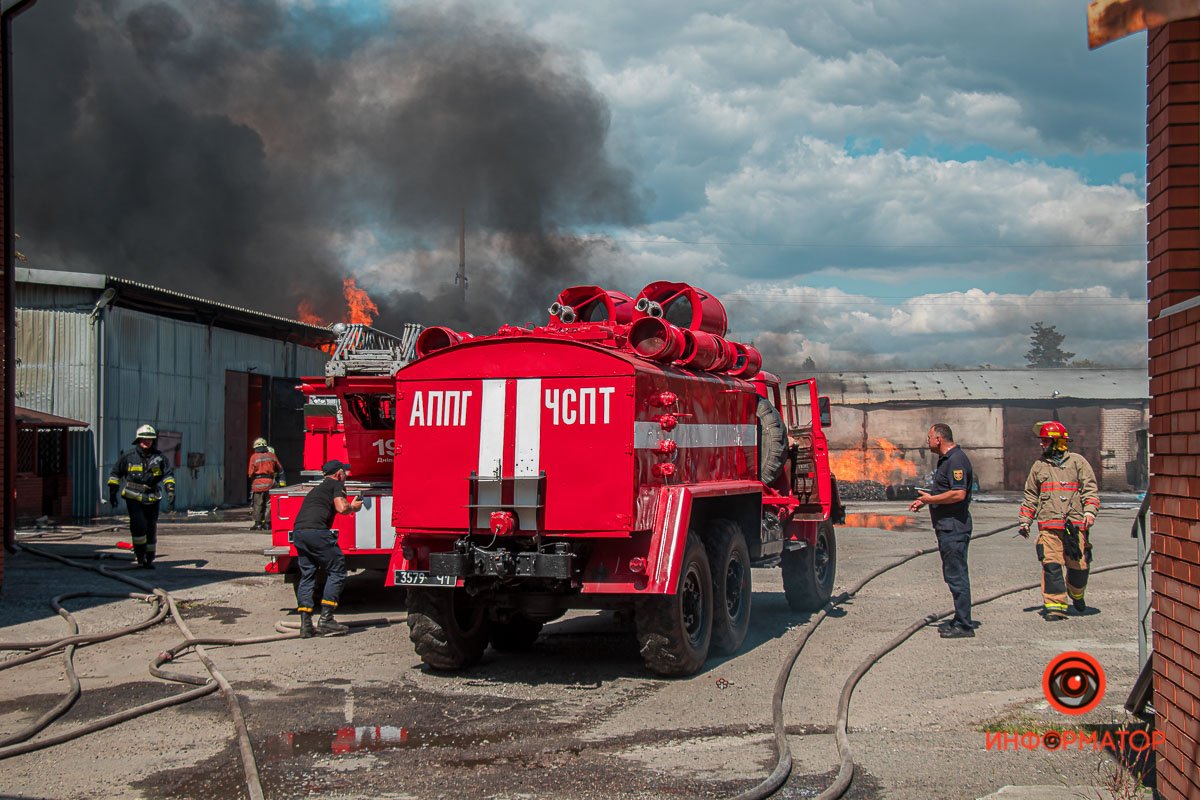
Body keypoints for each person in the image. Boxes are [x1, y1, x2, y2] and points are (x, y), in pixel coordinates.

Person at [1017, 421, 1100, 621]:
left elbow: (1090, 490)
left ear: (1057, 441)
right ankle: (1055, 607)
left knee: (1078, 567)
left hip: (1075, 525)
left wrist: (1089, 512)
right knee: (1051, 565)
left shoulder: (1078, 462)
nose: (1041, 444)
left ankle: (1077, 594)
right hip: (1049, 526)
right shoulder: (1039, 466)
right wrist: (1025, 521)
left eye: (1045, 440)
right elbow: (1030, 496)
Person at [909, 423, 975, 639]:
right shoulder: (947, 460)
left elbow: (958, 494)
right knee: (952, 574)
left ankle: (965, 625)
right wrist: (926, 500)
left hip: (954, 527)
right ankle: (959, 618)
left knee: (957, 576)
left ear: (939, 438)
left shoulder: (956, 460)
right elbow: (947, 491)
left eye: (929, 437)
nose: (927, 441)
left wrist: (930, 499)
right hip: (947, 526)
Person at [292, 459, 362, 638]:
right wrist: (353, 507)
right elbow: (341, 508)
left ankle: (306, 625)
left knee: (308, 574)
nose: (346, 475)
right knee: (337, 570)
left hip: (300, 533)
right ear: (339, 473)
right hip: (317, 532)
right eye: (344, 472)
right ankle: (326, 620)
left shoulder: (317, 489)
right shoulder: (336, 485)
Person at [108, 424, 176, 569]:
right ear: (138, 440)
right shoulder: (128, 457)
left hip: (152, 496)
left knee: (151, 526)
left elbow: (168, 475)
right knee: (139, 525)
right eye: (144, 439)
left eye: (150, 439)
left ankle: (149, 558)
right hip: (133, 495)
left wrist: (170, 491)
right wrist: (112, 493)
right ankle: (140, 555)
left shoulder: (160, 458)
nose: (147, 442)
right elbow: (115, 475)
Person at [247, 437, 285, 531]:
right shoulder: (271, 455)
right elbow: (280, 469)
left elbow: (250, 473)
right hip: (270, 483)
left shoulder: (254, 457)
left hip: (258, 484)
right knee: (270, 504)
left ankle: (258, 524)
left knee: (258, 504)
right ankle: (268, 524)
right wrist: (281, 484)